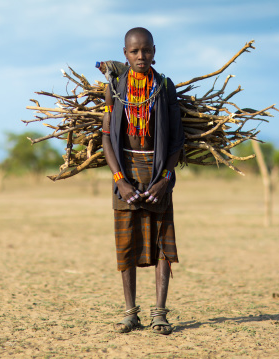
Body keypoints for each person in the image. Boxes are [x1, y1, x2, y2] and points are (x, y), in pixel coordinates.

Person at [102, 27, 185, 335]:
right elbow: (106, 138)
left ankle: (160, 313)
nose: (141, 56)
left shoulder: (164, 86)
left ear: (154, 50)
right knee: (126, 243)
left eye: (146, 50)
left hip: (158, 170)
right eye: (134, 51)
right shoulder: (114, 88)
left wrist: (165, 178)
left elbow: (177, 139)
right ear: (125, 54)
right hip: (124, 171)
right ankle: (130, 313)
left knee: (163, 243)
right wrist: (120, 180)